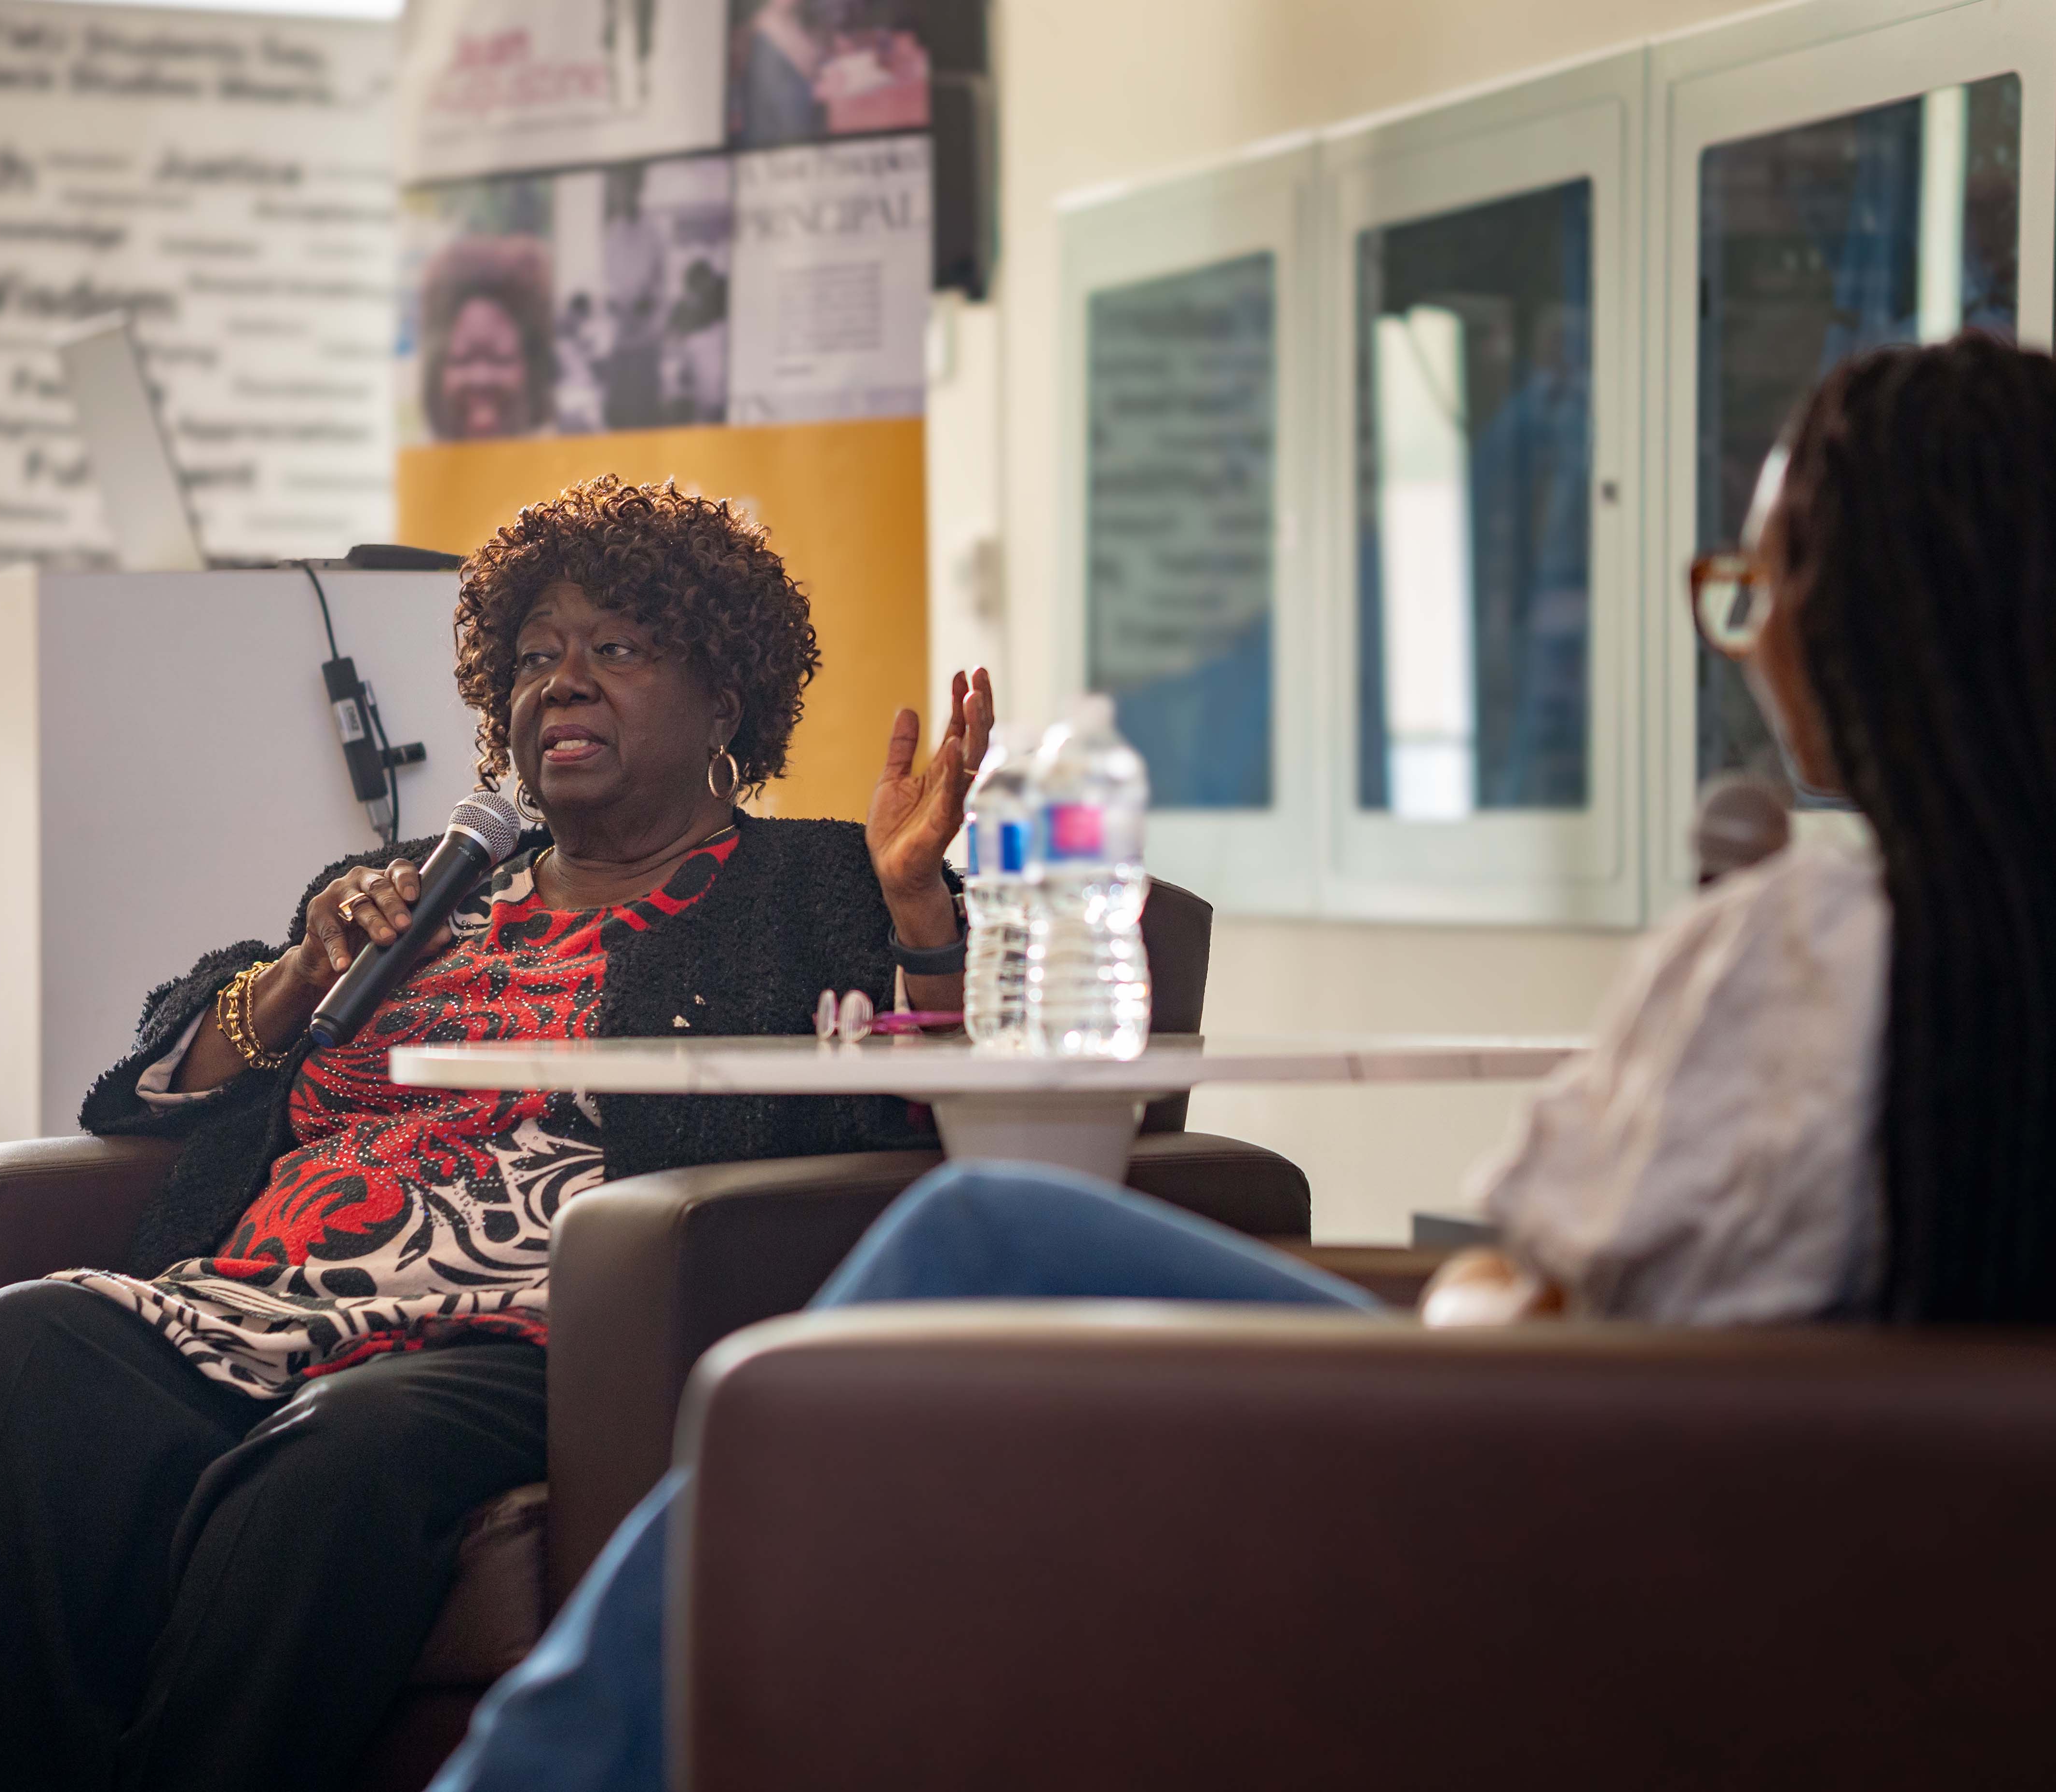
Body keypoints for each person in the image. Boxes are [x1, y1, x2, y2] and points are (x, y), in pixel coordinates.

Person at [432, 333, 2056, 1791]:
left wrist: (1450, 1300)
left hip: (1581, 1484)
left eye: (1754, 592)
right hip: (1826, 1530)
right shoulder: (1974, 935)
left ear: (1862, 616)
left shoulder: (1804, 932)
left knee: (975, 1233)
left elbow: (1539, 1293)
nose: (1746, 644)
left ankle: (530, 1774)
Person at [0, 474, 999, 1792]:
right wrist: (298, 972)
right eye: (533, 659)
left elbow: (952, 1113)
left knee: (340, 1454)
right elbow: (147, 1088)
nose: (561, 684)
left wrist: (920, 920)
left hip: (532, 1322)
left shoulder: (813, 882)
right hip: (260, 1298)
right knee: (32, 1339)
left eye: (618, 649)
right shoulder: (416, 888)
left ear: (726, 699)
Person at [419, 236, 556, 442]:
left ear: (534, 373)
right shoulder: (406, 469)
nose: (481, 377)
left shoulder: (573, 466)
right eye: (463, 359)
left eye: (500, 359)